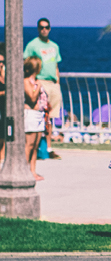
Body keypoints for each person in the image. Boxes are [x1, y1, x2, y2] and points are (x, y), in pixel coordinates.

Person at [23, 18, 62, 158]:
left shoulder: (54, 46)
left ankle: (48, 148)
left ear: (50, 28)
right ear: (38, 28)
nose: (44, 30)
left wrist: (57, 82)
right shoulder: (32, 45)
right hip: (40, 81)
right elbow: (25, 61)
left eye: (46, 27)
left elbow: (56, 65)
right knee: (40, 114)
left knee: (50, 117)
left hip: (53, 83)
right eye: (41, 27)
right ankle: (37, 147)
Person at [23, 56, 48, 181]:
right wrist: (38, 86)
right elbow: (32, 98)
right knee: (29, 144)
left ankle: (33, 171)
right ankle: (25, 170)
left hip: (39, 114)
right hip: (30, 114)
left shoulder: (36, 81)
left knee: (36, 145)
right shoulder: (26, 81)